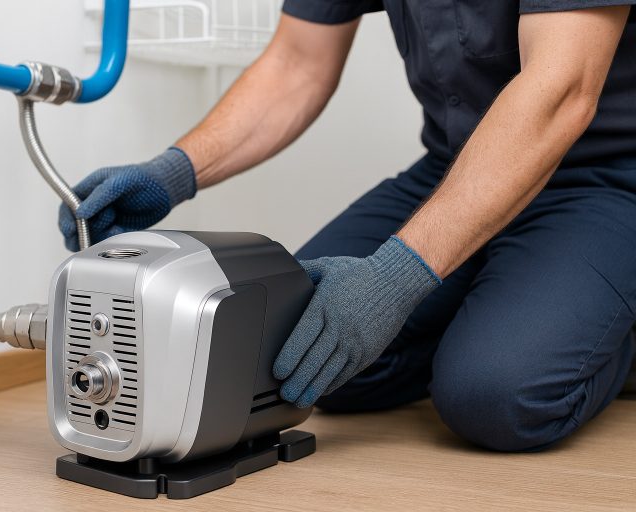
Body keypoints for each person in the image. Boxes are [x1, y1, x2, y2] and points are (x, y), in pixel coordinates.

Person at [59, 1, 636, 452]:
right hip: (457, 169)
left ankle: (600, 330)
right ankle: (504, 313)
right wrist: (172, 173)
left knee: (494, 397)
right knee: (290, 351)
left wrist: (394, 279)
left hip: (604, 176)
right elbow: (297, 64)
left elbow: (561, 92)